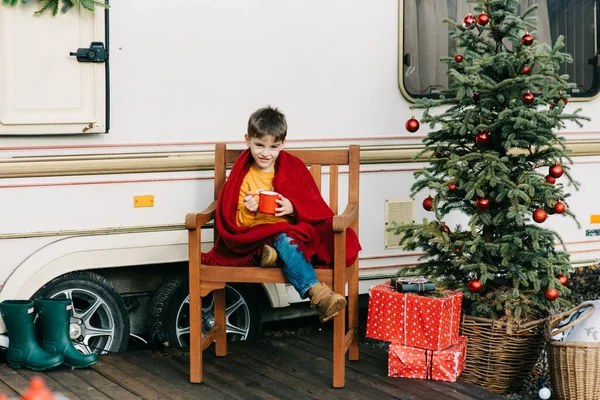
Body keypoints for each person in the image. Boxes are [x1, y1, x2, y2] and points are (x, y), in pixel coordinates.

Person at [202, 105, 361, 322]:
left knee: (285, 239)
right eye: (259, 145)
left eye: (273, 147)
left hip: (289, 233)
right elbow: (236, 223)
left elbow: (312, 207)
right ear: (247, 140)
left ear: (282, 145)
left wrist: (293, 208)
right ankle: (317, 294)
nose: (265, 153)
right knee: (280, 238)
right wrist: (248, 210)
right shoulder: (244, 177)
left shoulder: (292, 167)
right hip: (255, 238)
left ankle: (275, 256)